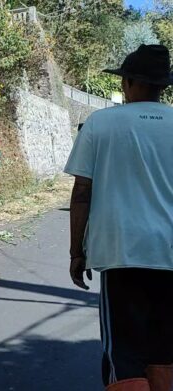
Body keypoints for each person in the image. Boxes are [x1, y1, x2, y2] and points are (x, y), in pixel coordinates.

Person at [64, 44, 173, 391]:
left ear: (127, 82)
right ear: (162, 86)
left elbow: (82, 192)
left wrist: (76, 252)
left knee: (124, 356)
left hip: (120, 254)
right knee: (163, 352)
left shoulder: (100, 122)